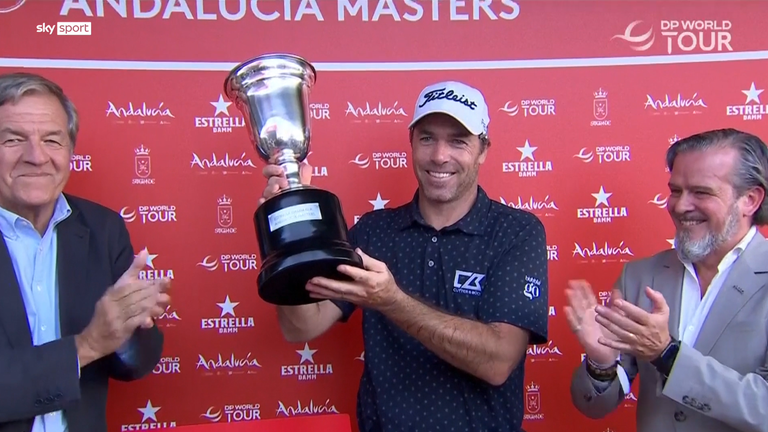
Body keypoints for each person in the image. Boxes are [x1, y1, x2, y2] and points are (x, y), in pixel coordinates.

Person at [259, 81, 549, 432]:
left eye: (458, 140)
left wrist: (392, 301)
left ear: (483, 149)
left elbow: (498, 361)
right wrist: (290, 227)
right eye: (427, 138)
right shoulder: (373, 231)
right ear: (411, 141)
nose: (440, 155)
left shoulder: (516, 232)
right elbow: (301, 326)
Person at [566, 128, 768, 432]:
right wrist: (601, 365)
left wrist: (667, 356)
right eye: (675, 190)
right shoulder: (640, 275)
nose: (680, 206)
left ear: (749, 200)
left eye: (701, 192)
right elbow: (594, 406)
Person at [0, 72, 170, 432]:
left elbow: (136, 363)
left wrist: (128, 329)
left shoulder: (102, 228)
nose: (37, 156)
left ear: (71, 151)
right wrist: (88, 344)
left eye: (52, 140)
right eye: (13, 139)